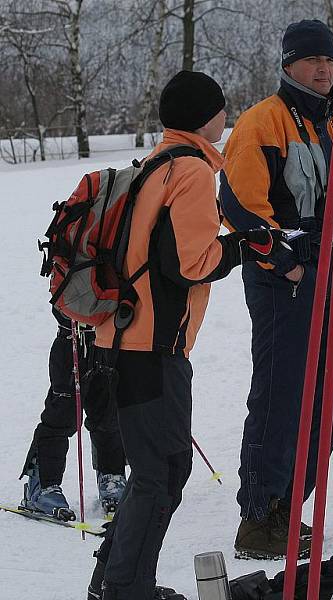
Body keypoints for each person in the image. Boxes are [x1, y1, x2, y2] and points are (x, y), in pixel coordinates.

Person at [87, 70, 280, 600]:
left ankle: (116, 583)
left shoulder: (158, 162)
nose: (227, 116)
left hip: (122, 340)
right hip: (151, 347)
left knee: (160, 469)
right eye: (221, 108)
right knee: (161, 473)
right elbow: (191, 264)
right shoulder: (192, 170)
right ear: (204, 116)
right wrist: (246, 247)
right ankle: (126, 590)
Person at [219, 19, 333, 558]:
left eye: (329, 61)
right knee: (283, 395)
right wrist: (286, 263)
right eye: (312, 61)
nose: (324, 69)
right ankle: (260, 516)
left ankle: (290, 504)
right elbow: (239, 204)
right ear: (288, 65)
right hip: (287, 281)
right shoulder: (262, 123)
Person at [20, 308, 126, 519]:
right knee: (62, 415)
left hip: (109, 339)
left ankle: (111, 477)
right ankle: (42, 486)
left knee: (108, 412)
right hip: (71, 340)